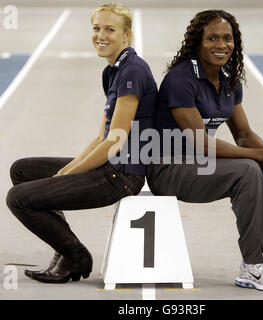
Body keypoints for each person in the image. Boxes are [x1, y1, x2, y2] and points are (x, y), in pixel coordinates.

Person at [146, 9, 263, 291]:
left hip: (201, 164)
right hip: (169, 167)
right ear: (198, 42)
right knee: (247, 169)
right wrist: (259, 155)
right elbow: (200, 142)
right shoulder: (180, 80)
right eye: (213, 38)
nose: (221, 45)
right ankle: (253, 267)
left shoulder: (228, 78)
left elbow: (243, 135)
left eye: (227, 38)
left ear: (235, 42)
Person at [6, 3, 157, 283]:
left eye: (110, 29)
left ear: (127, 36)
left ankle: (76, 256)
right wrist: (69, 169)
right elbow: (100, 136)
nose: (100, 35)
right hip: (110, 165)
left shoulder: (132, 71)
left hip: (122, 175)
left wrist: (69, 173)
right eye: (96, 28)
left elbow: (115, 139)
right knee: (22, 170)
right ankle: (64, 248)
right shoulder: (112, 70)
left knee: (19, 199)